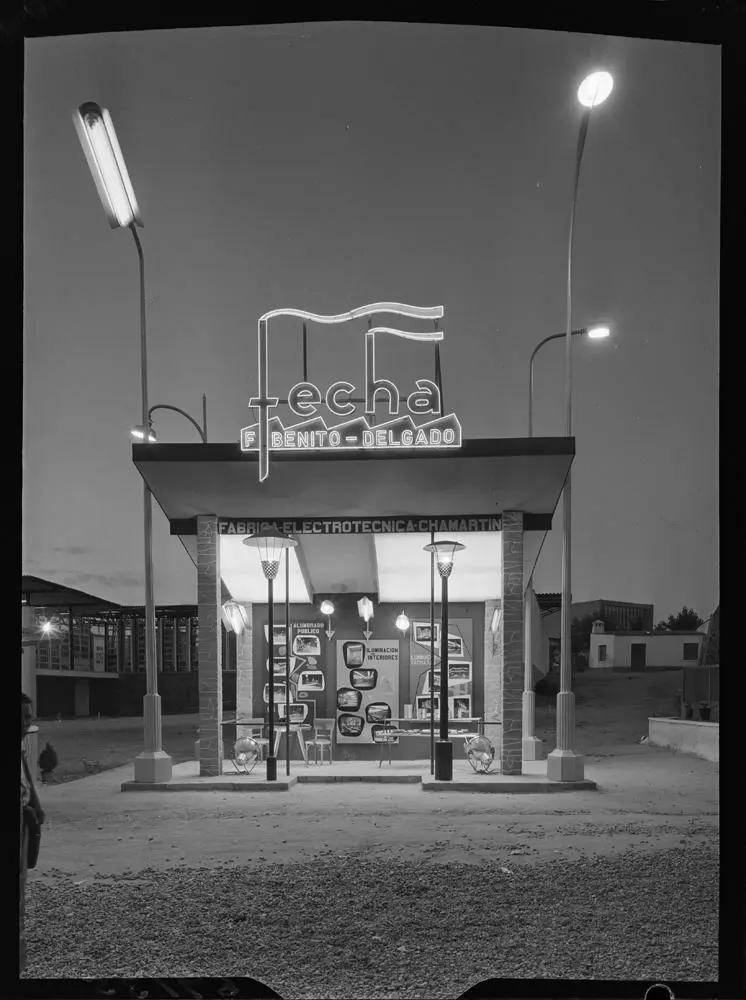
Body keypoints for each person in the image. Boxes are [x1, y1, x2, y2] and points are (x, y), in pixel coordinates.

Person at [21, 692, 45, 975]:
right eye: (24, 717)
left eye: (30, 717)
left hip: (25, 822)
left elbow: (27, 777)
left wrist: (36, 806)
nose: (28, 723)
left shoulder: (21, 748)